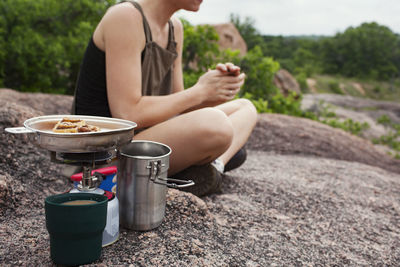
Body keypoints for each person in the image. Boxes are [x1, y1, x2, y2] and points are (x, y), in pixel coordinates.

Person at [72, 0, 257, 196]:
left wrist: (216, 91)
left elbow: (178, 104)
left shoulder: (174, 27)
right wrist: (200, 91)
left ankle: (213, 169)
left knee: (245, 108)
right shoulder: (125, 17)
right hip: (105, 153)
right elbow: (127, 113)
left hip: (146, 138)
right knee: (218, 126)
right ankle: (200, 167)